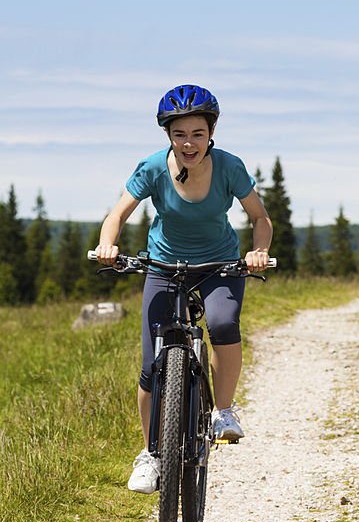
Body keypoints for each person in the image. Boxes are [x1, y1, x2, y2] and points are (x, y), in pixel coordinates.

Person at [93, 84, 273, 494]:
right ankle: (151, 455)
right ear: (168, 136)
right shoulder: (154, 167)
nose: (188, 142)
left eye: (196, 133)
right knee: (149, 365)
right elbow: (117, 213)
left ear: (211, 132)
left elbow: (260, 218)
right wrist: (108, 244)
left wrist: (258, 251)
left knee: (224, 323)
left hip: (218, 265)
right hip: (163, 265)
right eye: (179, 134)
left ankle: (223, 412)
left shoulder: (230, 167)